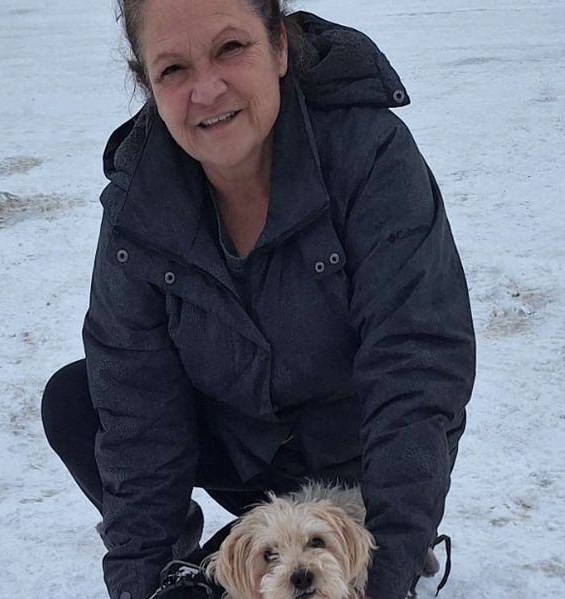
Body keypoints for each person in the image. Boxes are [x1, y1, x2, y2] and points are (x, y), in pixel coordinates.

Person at [41, 1, 476, 598]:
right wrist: (144, 583)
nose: (206, 90)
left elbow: (417, 368)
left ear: (279, 45)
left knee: (367, 528)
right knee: (77, 400)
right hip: (246, 451)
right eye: (173, 69)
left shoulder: (368, 154)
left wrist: (387, 564)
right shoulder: (137, 206)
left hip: (359, 455)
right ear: (148, 84)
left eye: (230, 48)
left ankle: (360, 537)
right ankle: (196, 566)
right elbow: (136, 410)